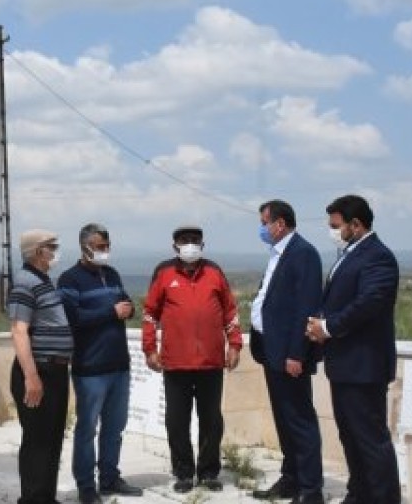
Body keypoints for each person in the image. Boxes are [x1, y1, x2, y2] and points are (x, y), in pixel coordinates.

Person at [306, 195, 401, 504]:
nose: (333, 231)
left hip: (364, 364)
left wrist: (329, 327)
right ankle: (359, 493)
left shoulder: (378, 257)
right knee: (350, 436)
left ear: (356, 225)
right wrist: (320, 319)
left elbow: (369, 304)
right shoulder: (349, 253)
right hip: (344, 364)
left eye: (337, 226)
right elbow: (339, 297)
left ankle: (384, 498)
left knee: (371, 439)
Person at [142, 224, 243, 494]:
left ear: (203, 244)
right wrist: (149, 349)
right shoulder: (164, 273)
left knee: (211, 419)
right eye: (184, 240)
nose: (190, 244)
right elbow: (150, 314)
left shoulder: (214, 271)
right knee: (177, 420)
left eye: (195, 240)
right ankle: (184, 472)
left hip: (211, 362)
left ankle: (209, 472)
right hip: (175, 363)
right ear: (174, 245)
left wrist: (234, 345)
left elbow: (230, 312)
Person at [58, 223, 144, 504]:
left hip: (119, 365)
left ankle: (109, 478)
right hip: (90, 369)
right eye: (99, 247)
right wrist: (111, 311)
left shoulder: (112, 274)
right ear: (84, 247)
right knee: (87, 429)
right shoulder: (69, 280)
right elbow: (73, 319)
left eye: (107, 247)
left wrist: (127, 309)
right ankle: (86, 486)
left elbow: (126, 303)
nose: (104, 252)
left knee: (115, 427)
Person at [250, 200, 325, 504]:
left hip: (289, 355)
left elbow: (305, 308)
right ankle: (291, 477)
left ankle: (310, 489)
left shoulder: (303, 254)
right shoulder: (278, 254)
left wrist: (297, 353)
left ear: (279, 224)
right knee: (284, 419)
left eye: (264, 223)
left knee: (299, 420)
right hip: (272, 351)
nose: (262, 229)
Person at [8, 229, 75, 504]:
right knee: (37, 440)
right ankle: (33, 499)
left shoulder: (43, 280)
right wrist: (32, 377)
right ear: (37, 251)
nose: (55, 251)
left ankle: (46, 497)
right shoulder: (25, 281)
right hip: (39, 370)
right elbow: (18, 330)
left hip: (56, 370)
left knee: (52, 439)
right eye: (51, 246)